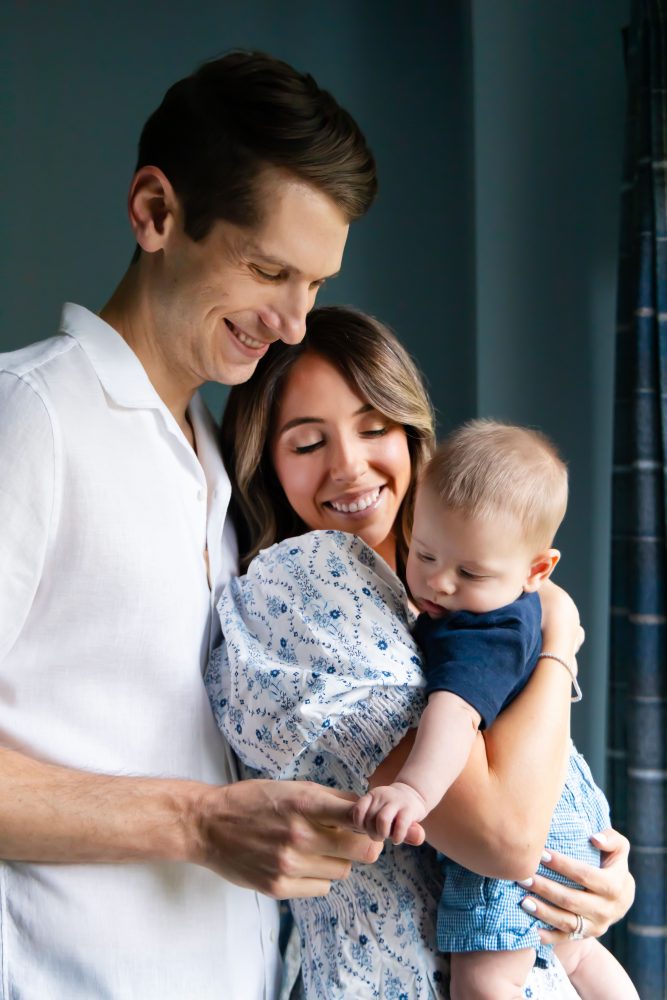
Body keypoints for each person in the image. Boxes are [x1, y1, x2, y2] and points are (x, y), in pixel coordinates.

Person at [0, 52, 384, 999]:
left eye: (313, 284)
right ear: (156, 214)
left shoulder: (231, 460)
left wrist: (550, 868)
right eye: (268, 270)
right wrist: (201, 824)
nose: (295, 324)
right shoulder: (30, 417)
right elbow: (212, 813)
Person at [213, 306, 635, 999]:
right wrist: (558, 638)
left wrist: (595, 883)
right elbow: (504, 840)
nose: (350, 467)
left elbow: (534, 794)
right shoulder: (308, 586)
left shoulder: (440, 602)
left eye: (374, 429)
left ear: (413, 437)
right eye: (306, 442)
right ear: (266, 457)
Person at [353, 420, 639, 1000]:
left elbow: (452, 714)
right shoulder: (526, 606)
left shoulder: (477, 635)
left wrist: (413, 790)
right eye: (426, 552)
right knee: (581, 954)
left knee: (485, 978)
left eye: (469, 572)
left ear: (537, 570)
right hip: (572, 805)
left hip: (530, 821)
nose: (439, 582)